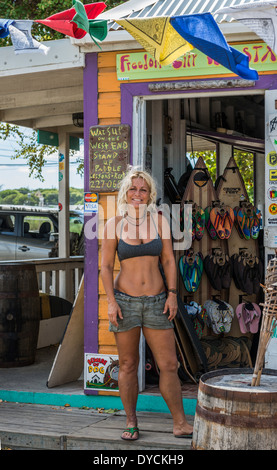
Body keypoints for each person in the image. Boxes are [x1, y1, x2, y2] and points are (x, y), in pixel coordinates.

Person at [100, 168, 193, 441]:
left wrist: (173, 294)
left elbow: (167, 260)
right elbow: (105, 267)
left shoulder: (160, 222)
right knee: (128, 364)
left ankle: (180, 423)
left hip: (157, 302)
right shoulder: (113, 225)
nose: (137, 194)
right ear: (125, 193)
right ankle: (131, 422)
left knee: (169, 364)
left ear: (150, 194)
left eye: (143, 189)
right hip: (125, 302)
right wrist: (111, 302)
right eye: (133, 189)